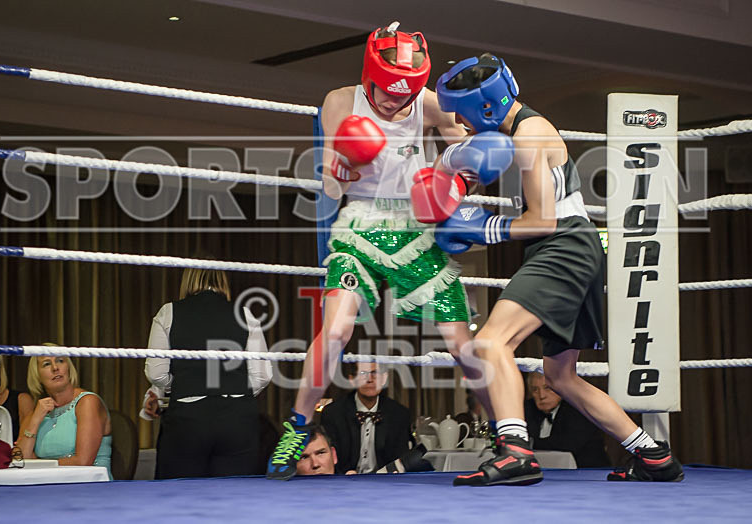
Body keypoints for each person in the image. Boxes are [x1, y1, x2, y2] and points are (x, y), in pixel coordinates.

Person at [432, 53, 684, 485]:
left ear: (486, 107)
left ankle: (515, 452)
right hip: (575, 245)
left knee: (490, 343)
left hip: (562, 244)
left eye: (463, 112)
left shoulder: (529, 134)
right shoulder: (518, 131)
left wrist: (484, 229)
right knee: (560, 376)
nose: (458, 121)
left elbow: (542, 221)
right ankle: (653, 455)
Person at [267, 20, 489, 481]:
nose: (395, 102)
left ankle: (506, 433)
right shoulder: (340, 101)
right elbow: (329, 179)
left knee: (460, 342)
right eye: (388, 92)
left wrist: (460, 180)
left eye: (404, 94)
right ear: (370, 76)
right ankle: (297, 427)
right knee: (335, 332)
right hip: (360, 223)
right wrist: (344, 166)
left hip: (415, 226)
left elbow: (469, 154)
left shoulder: (425, 104)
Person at [143, 266, 272, 478]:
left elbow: (156, 373)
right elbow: (262, 376)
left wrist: (185, 385)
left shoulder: (169, 312)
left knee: (179, 495)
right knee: (236, 494)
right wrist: (233, 388)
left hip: (188, 418)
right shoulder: (245, 314)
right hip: (237, 418)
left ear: (187, 280)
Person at [16, 355, 112, 477]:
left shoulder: (87, 402)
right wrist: (35, 421)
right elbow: (19, 462)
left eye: (60, 361)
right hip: (48, 485)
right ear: (37, 376)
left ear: (69, 368)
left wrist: (36, 464)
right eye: (46, 364)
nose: (55, 368)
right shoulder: (36, 412)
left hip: (89, 485)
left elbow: (83, 462)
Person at [320, 362, 413, 474]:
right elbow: (328, 456)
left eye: (375, 373)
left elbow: (401, 456)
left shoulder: (399, 414)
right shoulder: (333, 413)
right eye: (363, 373)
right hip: (343, 481)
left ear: (384, 379)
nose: (369, 379)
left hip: (386, 482)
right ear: (352, 380)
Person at [525, 372, 609, 468]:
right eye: (535, 390)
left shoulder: (578, 407)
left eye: (547, 388)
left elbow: (567, 444)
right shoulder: (528, 408)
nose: (542, 395)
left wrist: (530, 443)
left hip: (589, 473)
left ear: (561, 388)